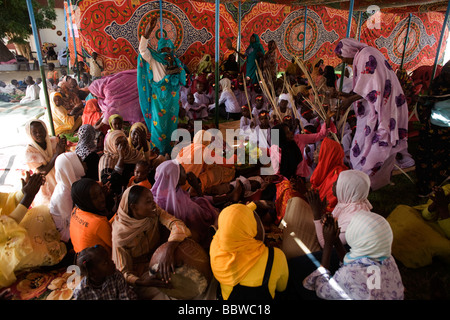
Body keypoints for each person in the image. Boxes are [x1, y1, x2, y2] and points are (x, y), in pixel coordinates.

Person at [335, 38, 409, 190]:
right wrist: (348, 97)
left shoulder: (366, 56)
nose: (343, 62)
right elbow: (370, 87)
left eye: (342, 57)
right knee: (366, 141)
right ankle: (366, 177)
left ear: (349, 51)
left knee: (381, 144)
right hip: (381, 107)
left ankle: (370, 180)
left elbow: (374, 88)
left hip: (386, 108)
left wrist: (349, 100)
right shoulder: (364, 55)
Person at [111, 185, 191, 299]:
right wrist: (141, 282)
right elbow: (123, 273)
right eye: (148, 201)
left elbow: (176, 224)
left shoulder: (153, 212)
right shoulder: (120, 235)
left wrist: (169, 249)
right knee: (170, 295)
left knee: (188, 282)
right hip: (142, 277)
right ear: (134, 207)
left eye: (152, 199)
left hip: (160, 260)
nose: (154, 203)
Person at [302, 211, 404, 300]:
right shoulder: (389, 259)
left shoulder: (349, 274)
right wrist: (336, 240)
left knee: (299, 270)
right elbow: (353, 263)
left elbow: (321, 290)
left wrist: (328, 244)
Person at [0, 172, 67, 288]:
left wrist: (23, 193)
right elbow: (3, 229)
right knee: (21, 246)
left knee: (41, 213)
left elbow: (5, 201)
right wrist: (28, 197)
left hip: (8, 229)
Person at [210, 202, 289, 300]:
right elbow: (281, 288)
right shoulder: (276, 256)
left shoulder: (215, 248)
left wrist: (252, 205)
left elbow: (232, 221)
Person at [138, 16, 186, 156]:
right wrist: (149, 30)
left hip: (172, 97)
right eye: (163, 48)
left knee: (172, 125)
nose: (166, 50)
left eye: (168, 48)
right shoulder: (153, 59)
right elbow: (142, 49)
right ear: (159, 49)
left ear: (172, 49)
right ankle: (158, 153)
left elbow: (181, 79)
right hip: (158, 97)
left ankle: (170, 153)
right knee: (158, 125)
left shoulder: (176, 62)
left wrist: (175, 66)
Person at [151, 160, 220, 249]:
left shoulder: (153, 196)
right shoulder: (184, 204)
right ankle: (229, 197)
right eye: (183, 171)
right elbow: (206, 217)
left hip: (164, 241)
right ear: (176, 178)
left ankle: (229, 196)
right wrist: (197, 187)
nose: (186, 173)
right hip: (189, 239)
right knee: (211, 208)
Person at [387, 185, 450, 268]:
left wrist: (443, 209)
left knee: (445, 247)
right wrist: (435, 204)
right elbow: (425, 215)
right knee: (403, 210)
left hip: (444, 234)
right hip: (429, 222)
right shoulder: (447, 189)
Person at [308, 170, 372, 249]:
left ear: (347, 188)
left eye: (338, 182)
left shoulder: (352, 219)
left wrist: (317, 215)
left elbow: (327, 246)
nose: (333, 184)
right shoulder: (348, 204)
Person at [414, 60, 450, 196]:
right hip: (432, 129)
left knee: (443, 159)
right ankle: (425, 188)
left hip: (447, 132)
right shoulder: (437, 86)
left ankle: (439, 184)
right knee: (426, 159)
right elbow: (424, 103)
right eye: (447, 75)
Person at [175, 130, 236, 195]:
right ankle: (198, 189)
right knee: (220, 171)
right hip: (188, 185)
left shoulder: (186, 148)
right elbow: (228, 163)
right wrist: (236, 154)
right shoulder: (203, 149)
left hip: (176, 185)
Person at [24, 119, 66, 205]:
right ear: (30, 134)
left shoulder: (54, 141)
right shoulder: (29, 151)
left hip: (59, 176)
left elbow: (62, 157)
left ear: (45, 129)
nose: (39, 134)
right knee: (52, 205)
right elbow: (43, 172)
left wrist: (63, 147)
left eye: (41, 130)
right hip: (46, 182)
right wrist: (57, 154)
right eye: (34, 132)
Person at [73, 245, 137, 300]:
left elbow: (126, 297)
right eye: (105, 263)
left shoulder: (116, 276)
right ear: (93, 273)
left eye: (109, 258)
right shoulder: (80, 292)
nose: (112, 262)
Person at [49, 152, 86, 243]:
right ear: (70, 167)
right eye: (80, 161)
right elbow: (71, 221)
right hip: (65, 232)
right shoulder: (63, 194)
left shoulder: (73, 181)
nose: (84, 163)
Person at [70, 178, 112, 255]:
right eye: (95, 197)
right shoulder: (99, 223)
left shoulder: (76, 210)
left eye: (101, 193)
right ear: (86, 201)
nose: (102, 198)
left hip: (80, 259)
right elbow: (116, 245)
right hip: (100, 264)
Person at [98, 130, 146, 196]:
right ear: (111, 144)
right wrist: (121, 159)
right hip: (116, 195)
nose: (123, 147)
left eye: (125, 143)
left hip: (135, 191)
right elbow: (107, 183)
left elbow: (145, 169)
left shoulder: (134, 154)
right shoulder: (107, 159)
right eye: (118, 144)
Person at [309, 137, 348, 212]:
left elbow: (329, 206)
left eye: (317, 151)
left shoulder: (337, 176)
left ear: (327, 155)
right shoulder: (325, 169)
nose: (314, 153)